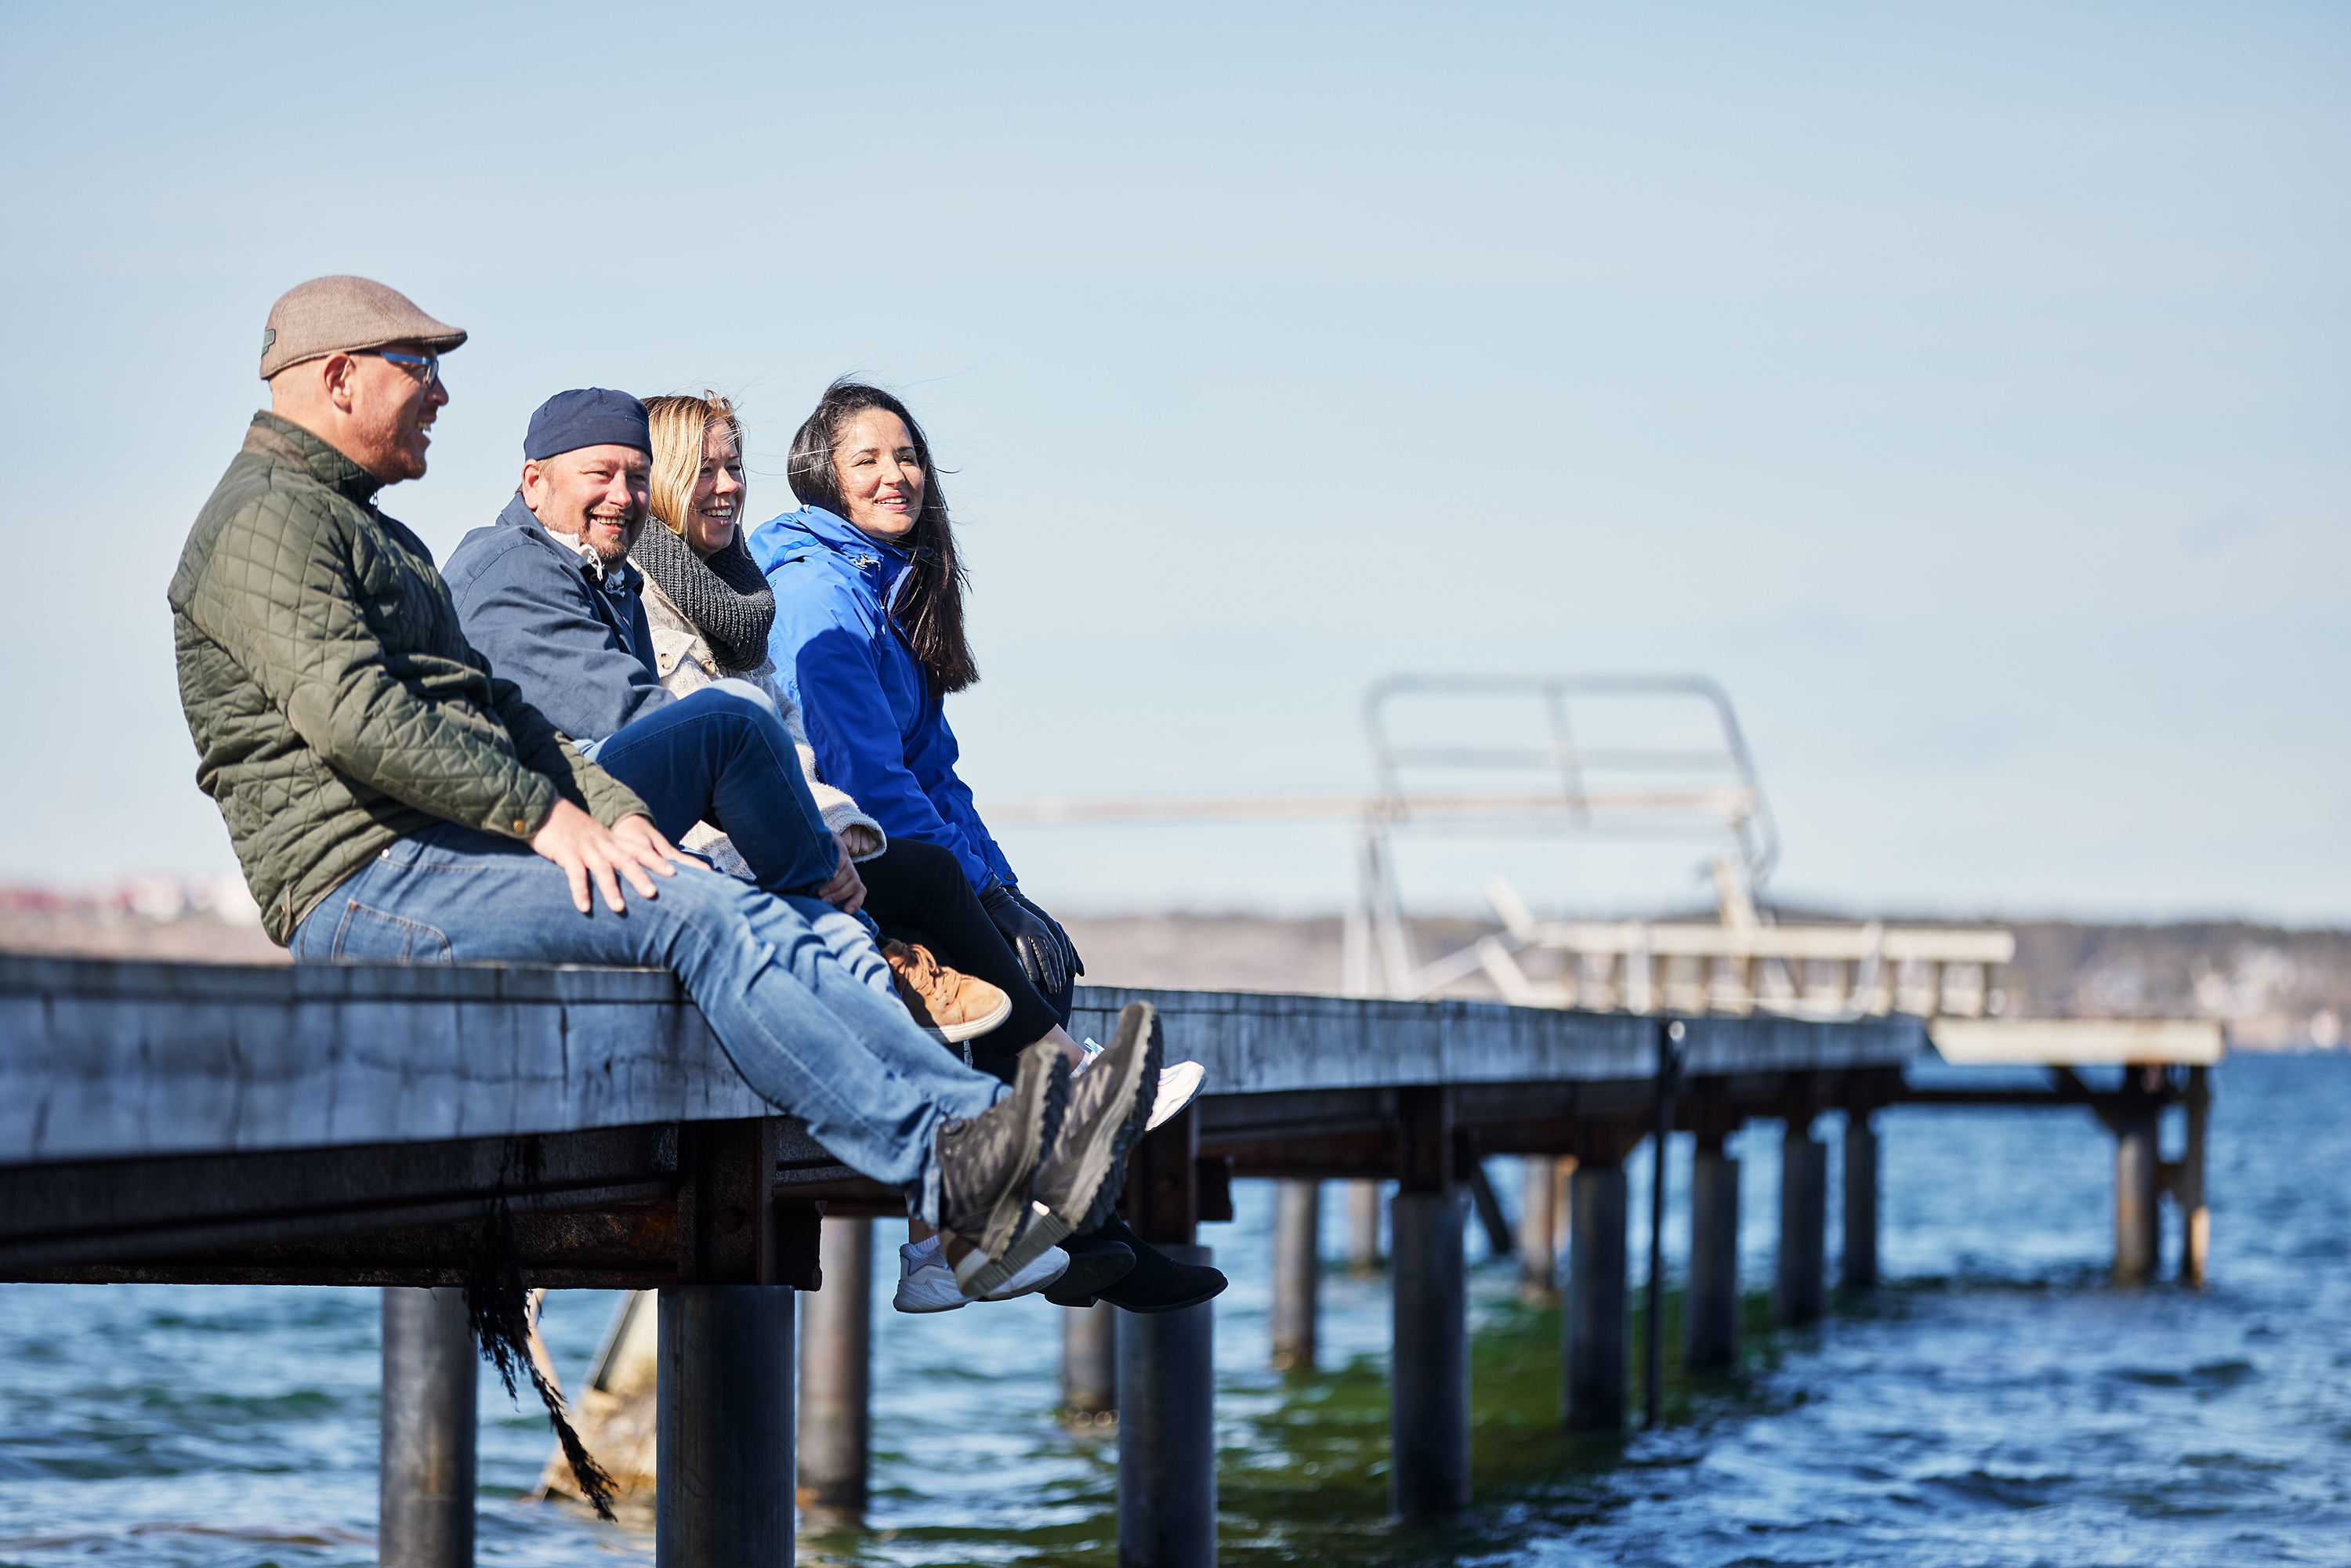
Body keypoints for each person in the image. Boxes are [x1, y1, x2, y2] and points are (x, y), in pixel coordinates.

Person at [167, 276, 1156, 1302]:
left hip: (445, 856)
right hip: (365, 882)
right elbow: (356, 718)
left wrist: (604, 807)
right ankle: (956, 1167)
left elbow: (496, 711)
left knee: (761, 907)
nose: (440, 394)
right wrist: (548, 816)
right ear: (338, 377)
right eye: (418, 368)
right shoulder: (268, 522)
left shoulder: (370, 532)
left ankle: (990, 1145)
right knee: (701, 914)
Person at [753, 379, 1225, 1314]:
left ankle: (1076, 1237)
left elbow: (936, 774)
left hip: (882, 845)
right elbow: (866, 780)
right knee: (987, 938)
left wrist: (1002, 888)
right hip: (831, 853)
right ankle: (1065, 1223)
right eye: (867, 460)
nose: (895, 476)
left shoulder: (883, 588)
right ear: (822, 476)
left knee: (1030, 949)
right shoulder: (819, 593)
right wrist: (977, 899)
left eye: (907, 456)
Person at [441, 389, 1010, 1048]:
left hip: (710, 818)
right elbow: (650, 722)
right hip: (609, 831)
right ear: (534, 483)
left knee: (928, 897)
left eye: (734, 467)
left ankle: (1018, 1077)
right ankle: (989, 1057)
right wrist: (816, 840)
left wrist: (1001, 886)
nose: (728, 486)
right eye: (703, 469)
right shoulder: (544, 572)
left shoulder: (702, 595)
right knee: (878, 874)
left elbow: (917, 762)